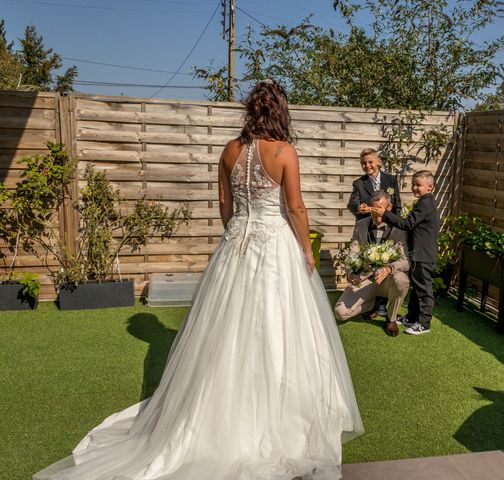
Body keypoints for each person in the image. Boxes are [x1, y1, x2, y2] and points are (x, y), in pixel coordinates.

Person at [34, 81, 363, 480]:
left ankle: (219, 409)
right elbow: (295, 207)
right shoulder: (283, 152)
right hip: (274, 244)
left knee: (227, 329)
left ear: (250, 110)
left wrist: (237, 232)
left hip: (235, 244)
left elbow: (225, 205)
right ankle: (277, 415)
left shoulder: (230, 149)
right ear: (280, 111)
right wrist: (307, 252)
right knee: (278, 325)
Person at [369, 170, 439, 336]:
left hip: (424, 254)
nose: (415, 187)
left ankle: (424, 323)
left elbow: (408, 224)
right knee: (417, 288)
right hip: (419, 254)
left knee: (424, 290)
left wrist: (384, 213)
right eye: (413, 184)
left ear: (430, 187)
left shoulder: (426, 203)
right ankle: (412, 317)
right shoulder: (424, 201)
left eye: (419, 185)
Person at [334, 190, 410, 337]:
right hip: (365, 278)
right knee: (340, 313)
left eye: (378, 210)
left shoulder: (400, 228)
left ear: (389, 208)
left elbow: (405, 261)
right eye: (372, 209)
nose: (375, 214)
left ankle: (391, 318)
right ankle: (371, 302)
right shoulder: (361, 225)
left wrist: (389, 268)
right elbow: (353, 253)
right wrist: (350, 272)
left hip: (388, 280)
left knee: (402, 280)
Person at [347, 148, 402, 221]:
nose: (367, 165)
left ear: (378, 162)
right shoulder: (358, 183)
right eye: (364, 163)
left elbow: (397, 205)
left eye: (370, 162)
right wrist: (359, 208)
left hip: (388, 224)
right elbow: (352, 204)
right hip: (367, 226)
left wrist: (396, 223)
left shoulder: (391, 180)